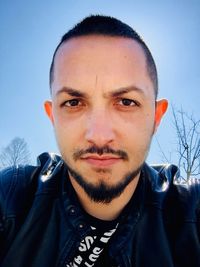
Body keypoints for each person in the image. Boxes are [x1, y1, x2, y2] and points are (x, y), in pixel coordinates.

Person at [0, 15, 199, 267]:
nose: (99, 135)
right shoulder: (11, 202)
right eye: (73, 103)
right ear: (53, 117)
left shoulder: (190, 213)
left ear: (156, 117)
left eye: (126, 102)